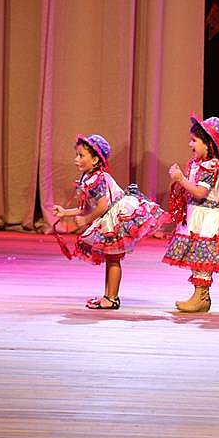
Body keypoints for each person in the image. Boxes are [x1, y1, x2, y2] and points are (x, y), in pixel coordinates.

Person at [51, 133, 166, 310]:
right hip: (108, 217)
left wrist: (86, 220)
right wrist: (66, 212)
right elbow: (87, 207)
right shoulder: (88, 178)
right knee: (111, 258)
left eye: (81, 155)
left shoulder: (97, 179)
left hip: (115, 216)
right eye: (77, 155)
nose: (76, 159)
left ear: (95, 160)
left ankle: (112, 298)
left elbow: (102, 206)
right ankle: (109, 295)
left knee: (113, 259)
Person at [162, 115, 219, 313]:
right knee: (196, 256)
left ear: (208, 144)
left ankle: (201, 297)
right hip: (197, 214)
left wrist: (181, 179)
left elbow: (201, 192)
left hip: (207, 217)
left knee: (203, 257)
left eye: (194, 140)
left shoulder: (211, 165)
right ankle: (200, 296)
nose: (190, 144)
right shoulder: (196, 163)